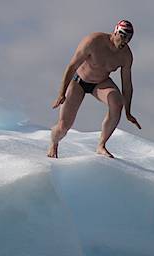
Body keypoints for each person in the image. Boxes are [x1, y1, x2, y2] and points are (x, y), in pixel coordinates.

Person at [47, 20, 141, 158]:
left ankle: (101, 145)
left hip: (100, 83)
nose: (124, 41)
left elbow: (127, 85)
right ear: (115, 32)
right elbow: (72, 67)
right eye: (122, 35)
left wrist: (128, 111)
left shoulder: (126, 56)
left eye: (128, 38)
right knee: (63, 127)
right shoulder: (93, 41)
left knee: (117, 102)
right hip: (78, 81)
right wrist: (61, 93)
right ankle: (54, 144)